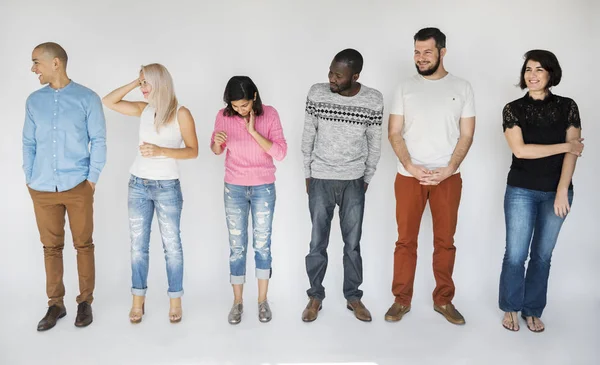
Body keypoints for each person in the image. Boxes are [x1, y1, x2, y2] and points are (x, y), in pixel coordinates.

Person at [386, 28, 475, 325]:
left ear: (442, 52)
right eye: (416, 51)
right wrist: (410, 166)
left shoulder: (463, 88)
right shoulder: (403, 88)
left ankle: (444, 300)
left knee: (445, 241)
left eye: (427, 52)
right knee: (405, 241)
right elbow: (394, 132)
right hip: (409, 175)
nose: (420, 58)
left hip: (448, 177)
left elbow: (467, 134)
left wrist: (449, 168)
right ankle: (401, 300)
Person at [102, 63, 198, 324]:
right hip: (138, 185)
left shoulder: (181, 113)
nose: (143, 88)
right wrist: (136, 82)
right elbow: (108, 100)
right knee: (138, 247)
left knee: (172, 247)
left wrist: (161, 151)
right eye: (141, 83)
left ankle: (175, 300)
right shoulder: (144, 109)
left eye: (147, 83)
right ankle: (137, 301)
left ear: (161, 82)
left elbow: (192, 150)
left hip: (167, 187)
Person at [23, 42, 106, 331]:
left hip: (78, 185)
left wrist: (91, 179)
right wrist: (29, 177)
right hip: (42, 187)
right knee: (51, 247)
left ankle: (85, 303)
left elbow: (99, 140)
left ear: (55, 63)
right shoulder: (34, 101)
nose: (34, 68)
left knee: (83, 244)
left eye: (37, 62)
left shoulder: (88, 98)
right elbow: (28, 142)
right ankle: (55, 305)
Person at [499, 50, 583, 332]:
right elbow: (520, 151)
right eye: (528, 70)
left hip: (557, 192)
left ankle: (532, 309)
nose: (532, 75)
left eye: (539, 70)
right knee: (515, 254)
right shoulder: (513, 108)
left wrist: (562, 190)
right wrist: (565, 145)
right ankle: (510, 307)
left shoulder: (568, 106)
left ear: (550, 73)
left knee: (543, 256)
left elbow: (574, 154)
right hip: (521, 190)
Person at [301, 49, 383, 322]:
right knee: (317, 242)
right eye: (330, 72)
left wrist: (366, 178)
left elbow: (375, 143)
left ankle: (353, 297)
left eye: (338, 75)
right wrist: (308, 175)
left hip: (353, 181)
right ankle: (315, 296)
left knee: (352, 244)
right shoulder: (317, 93)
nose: (331, 79)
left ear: (355, 75)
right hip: (321, 178)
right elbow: (308, 135)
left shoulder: (373, 100)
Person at [210, 76, 287, 324]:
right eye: (235, 106)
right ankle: (237, 302)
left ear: (254, 97)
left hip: (263, 186)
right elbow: (215, 149)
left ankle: (262, 301)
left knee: (262, 244)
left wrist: (253, 131)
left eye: (244, 105)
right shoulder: (223, 116)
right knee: (237, 246)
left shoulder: (270, 115)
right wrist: (217, 144)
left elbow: (280, 152)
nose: (240, 110)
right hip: (234, 186)